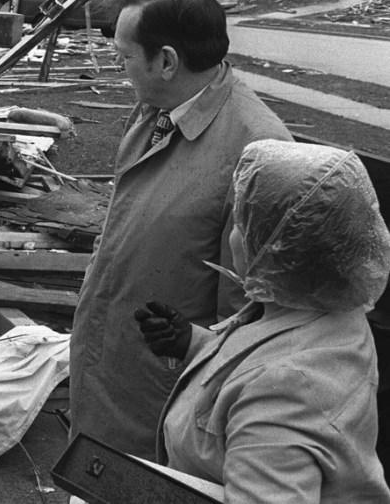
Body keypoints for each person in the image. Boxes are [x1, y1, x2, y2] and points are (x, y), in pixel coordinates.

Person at [68, 0, 292, 462]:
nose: (120, 71)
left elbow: (250, 320)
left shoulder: (259, 152)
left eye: (125, 58)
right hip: (109, 366)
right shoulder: (155, 112)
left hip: (161, 400)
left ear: (167, 61)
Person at [136, 139, 390, 502]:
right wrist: (194, 343)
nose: (233, 235)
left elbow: (270, 387)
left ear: (275, 245)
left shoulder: (288, 394)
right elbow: (263, 359)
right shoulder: (318, 307)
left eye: (241, 222)